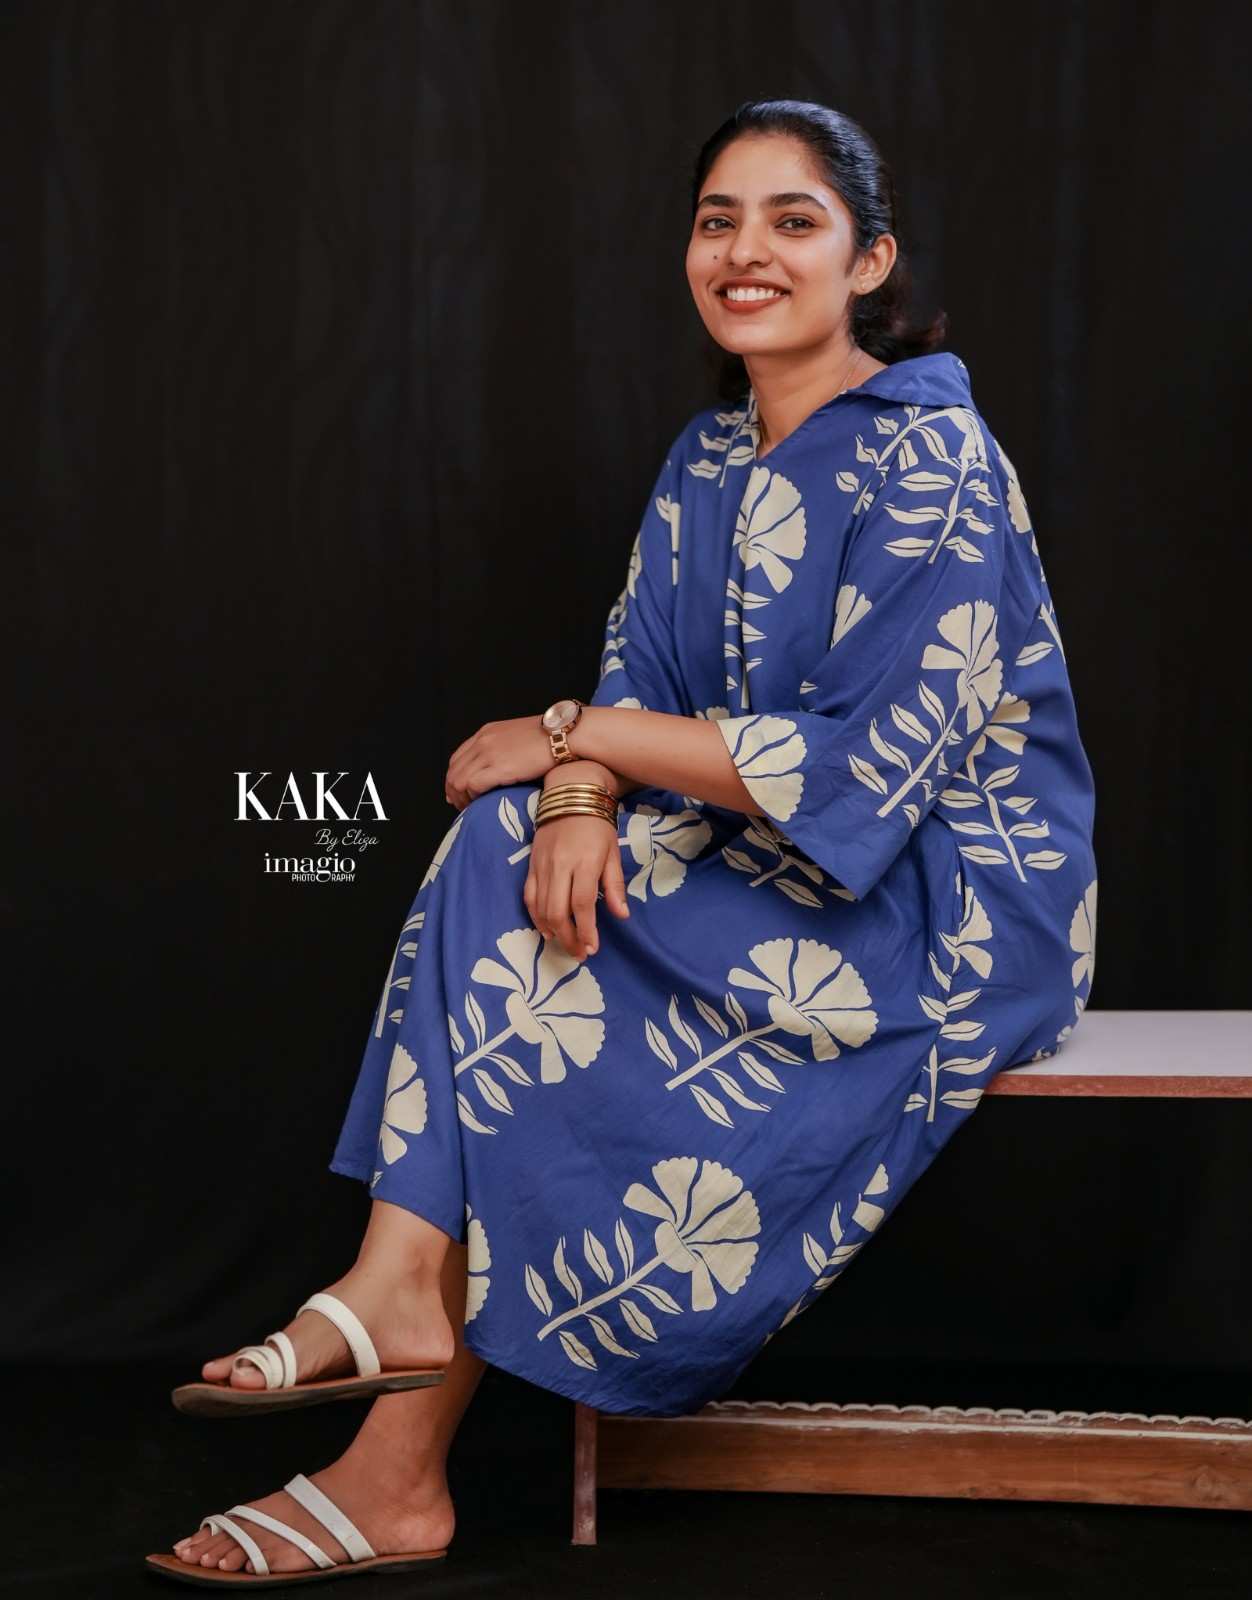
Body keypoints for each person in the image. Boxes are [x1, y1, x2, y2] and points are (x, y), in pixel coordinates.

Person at [148, 97, 1098, 1585]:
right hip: (775, 856)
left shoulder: (937, 456)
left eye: (794, 221)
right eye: (719, 220)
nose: (746, 251)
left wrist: (567, 739)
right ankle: (395, 1302)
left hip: (946, 900)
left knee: (531, 923)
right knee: (501, 853)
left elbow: (857, 769)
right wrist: (578, 786)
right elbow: (636, 682)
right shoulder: (708, 457)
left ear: (870, 262)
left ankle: (393, 1447)